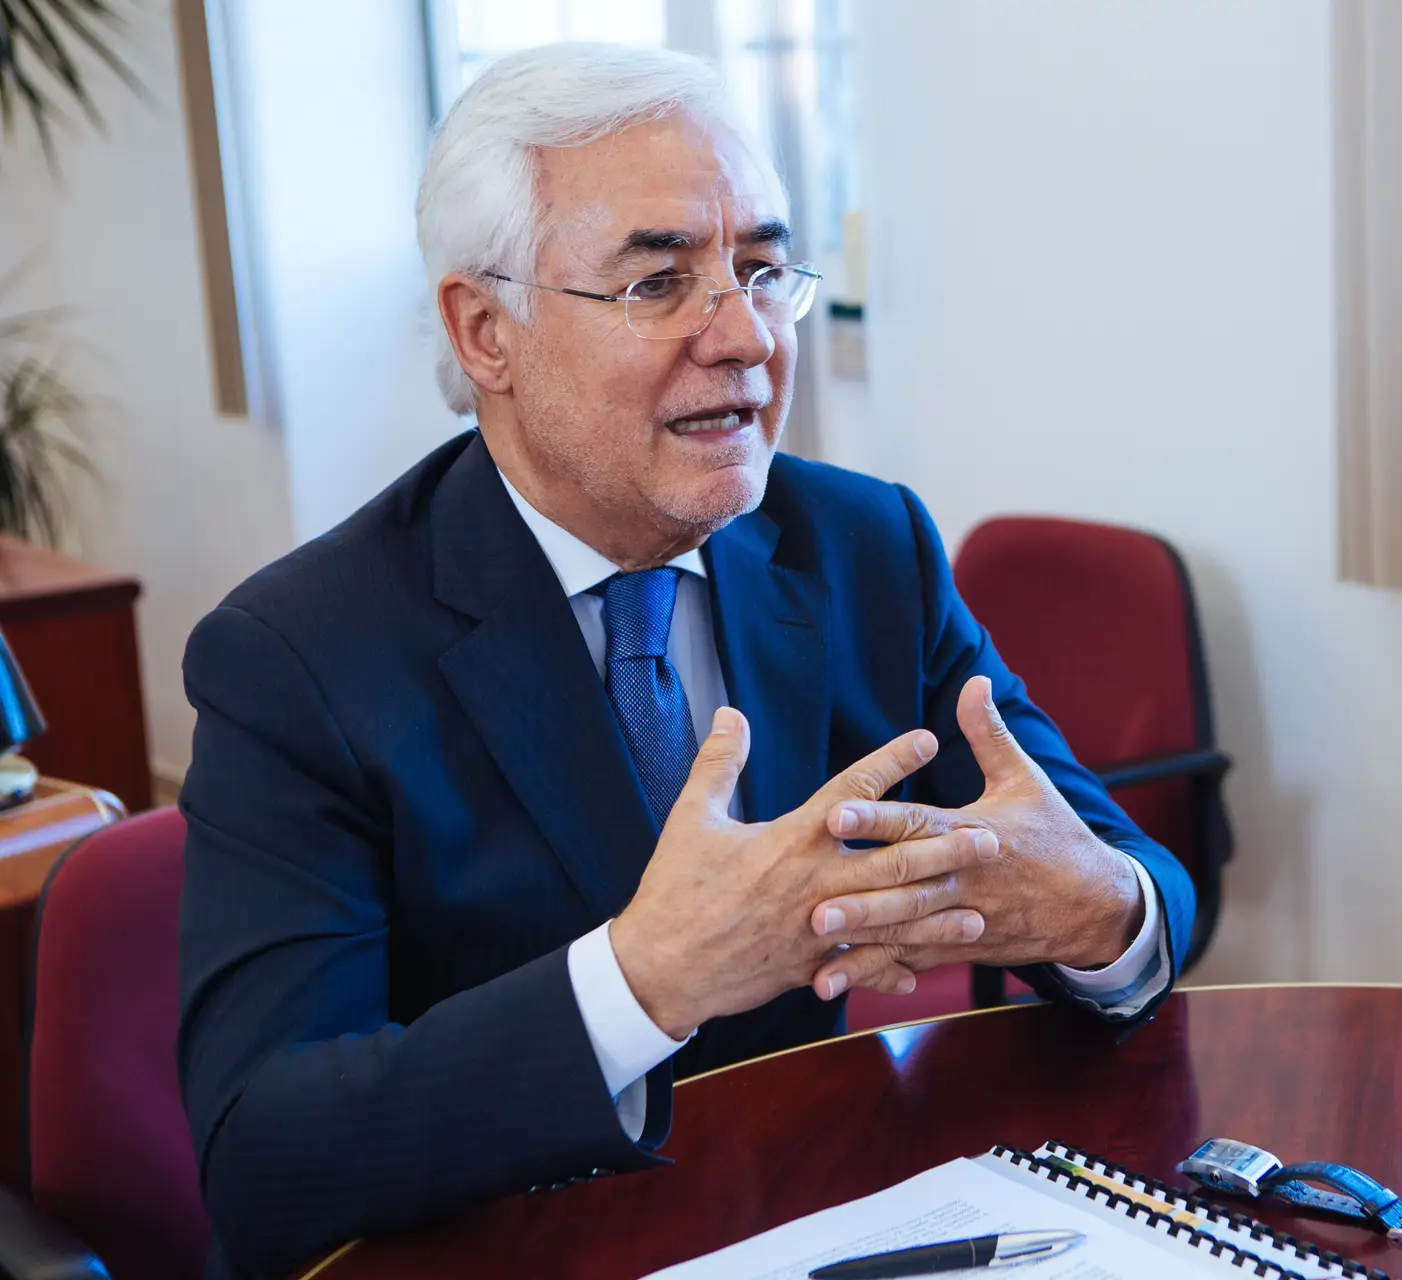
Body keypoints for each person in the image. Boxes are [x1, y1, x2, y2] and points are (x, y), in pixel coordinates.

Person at [176, 42, 1195, 1280]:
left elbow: (1122, 879)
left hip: (810, 1214)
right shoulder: (298, 654)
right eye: (658, 283)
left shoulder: (865, 545)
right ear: (487, 331)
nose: (746, 337)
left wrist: (1102, 910)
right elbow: (263, 1151)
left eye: (762, 271)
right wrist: (641, 982)